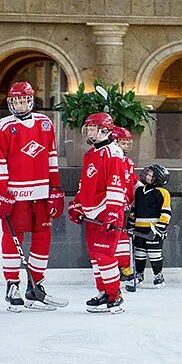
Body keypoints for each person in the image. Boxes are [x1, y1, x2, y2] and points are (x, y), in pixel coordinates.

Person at [0, 81, 66, 311]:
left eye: (24, 100)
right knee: (14, 238)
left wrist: (55, 188)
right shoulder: (3, 126)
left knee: (43, 237)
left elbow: (52, 157)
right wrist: (2, 192)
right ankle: (12, 285)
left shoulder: (45, 123)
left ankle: (36, 286)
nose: (20, 105)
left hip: (41, 193)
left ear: (31, 100)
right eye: (16, 101)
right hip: (16, 194)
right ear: (10, 102)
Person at [67, 112, 129, 314]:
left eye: (92, 128)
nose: (88, 131)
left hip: (107, 212)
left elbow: (116, 184)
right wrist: (77, 204)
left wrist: (112, 212)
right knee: (95, 256)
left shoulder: (114, 153)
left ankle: (115, 294)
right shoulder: (90, 154)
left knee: (105, 255)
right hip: (92, 214)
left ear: (104, 130)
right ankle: (103, 291)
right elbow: (84, 184)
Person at [131, 164, 172, 289]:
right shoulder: (139, 191)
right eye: (147, 174)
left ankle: (158, 275)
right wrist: (130, 225)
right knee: (139, 253)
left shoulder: (162, 192)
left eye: (151, 175)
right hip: (139, 228)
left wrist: (160, 227)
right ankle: (139, 274)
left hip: (153, 229)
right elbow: (134, 209)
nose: (147, 177)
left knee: (155, 254)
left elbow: (166, 211)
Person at [111, 126, 137, 290]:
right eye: (123, 142)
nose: (126, 145)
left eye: (128, 142)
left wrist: (141, 191)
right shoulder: (112, 159)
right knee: (116, 238)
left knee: (123, 237)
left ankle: (124, 267)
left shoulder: (128, 162)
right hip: (112, 206)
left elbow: (132, 181)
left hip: (126, 205)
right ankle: (118, 267)